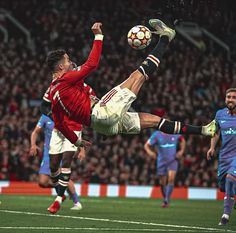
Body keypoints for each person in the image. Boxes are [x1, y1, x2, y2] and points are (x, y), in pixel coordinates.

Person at [45, 19, 216, 151]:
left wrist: (77, 141)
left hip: (102, 125)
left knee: (155, 121)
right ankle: (166, 37)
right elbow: (92, 64)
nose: (70, 61)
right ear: (60, 66)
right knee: (138, 75)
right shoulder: (65, 79)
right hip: (103, 112)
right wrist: (98, 36)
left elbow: (59, 124)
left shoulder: (53, 93)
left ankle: (204, 130)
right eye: (67, 60)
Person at [43, 82, 96, 214]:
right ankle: (61, 193)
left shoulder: (87, 88)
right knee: (53, 167)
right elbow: (43, 105)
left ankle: (58, 199)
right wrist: (53, 116)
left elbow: (94, 107)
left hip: (74, 129)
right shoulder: (58, 85)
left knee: (66, 162)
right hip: (58, 129)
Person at [30, 113, 83, 210]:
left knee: (62, 174)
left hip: (62, 150)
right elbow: (35, 132)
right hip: (48, 152)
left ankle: (76, 201)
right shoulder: (45, 117)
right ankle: (61, 193)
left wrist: (82, 150)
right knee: (42, 182)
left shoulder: (67, 115)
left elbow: (76, 133)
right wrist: (33, 144)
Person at [207, 87, 236, 226]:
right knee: (223, 187)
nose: (230, 99)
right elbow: (216, 132)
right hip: (224, 156)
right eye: (228, 97)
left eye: (234, 97)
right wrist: (212, 147)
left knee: (231, 178)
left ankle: (225, 216)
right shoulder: (219, 114)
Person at [144, 121, 186, 208]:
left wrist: (181, 151)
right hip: (161, 161)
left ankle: (166, 199)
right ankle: (165, 198)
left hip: (173, 160)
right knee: (162, 182)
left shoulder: (175, 133)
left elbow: (183, 140)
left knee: (171, 179)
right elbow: (146, 145)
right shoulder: (156, 135)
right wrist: (150, 153)